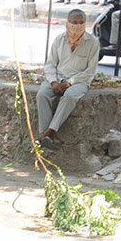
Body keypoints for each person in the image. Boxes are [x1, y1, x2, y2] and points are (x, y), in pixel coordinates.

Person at [35, 9, 99, 149]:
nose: (77, 26)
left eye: (81, 22)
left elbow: (90, 71)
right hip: (58, 77)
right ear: (67, 23)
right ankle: (46, 134)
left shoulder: (92, 42)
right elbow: (50, 64)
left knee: (69, 96)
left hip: (79, 81)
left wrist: (69, 83)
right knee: (42, 95)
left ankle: (50, 131)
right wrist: (54, 82)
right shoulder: (59, 40)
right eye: (74, 22)